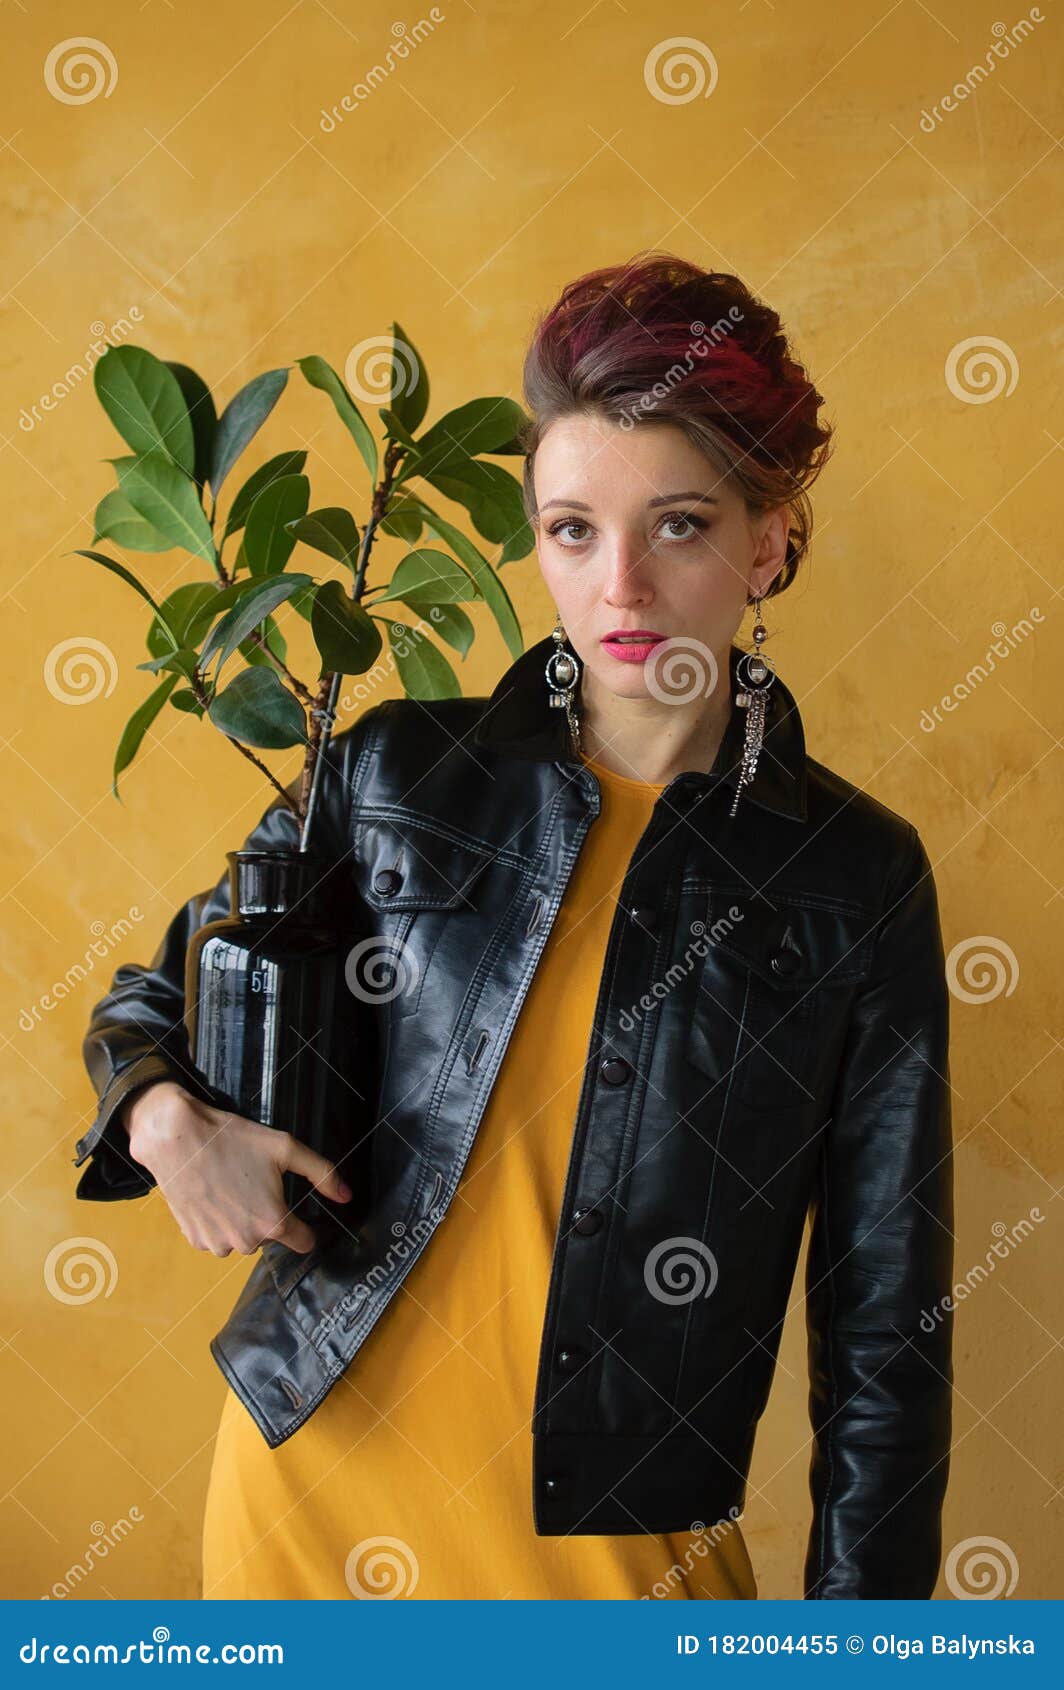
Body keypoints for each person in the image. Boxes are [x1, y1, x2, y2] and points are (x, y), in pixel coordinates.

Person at [75, 252, 954, 1600]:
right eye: (570, 530)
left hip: (620, 1556)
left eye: (678, 525)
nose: (620, 589)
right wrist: (167, 1125)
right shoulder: (396, 775)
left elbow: (887, 1331)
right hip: (309, 1494)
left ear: (769, 539)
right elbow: (148, 1001)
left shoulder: (858, 879)